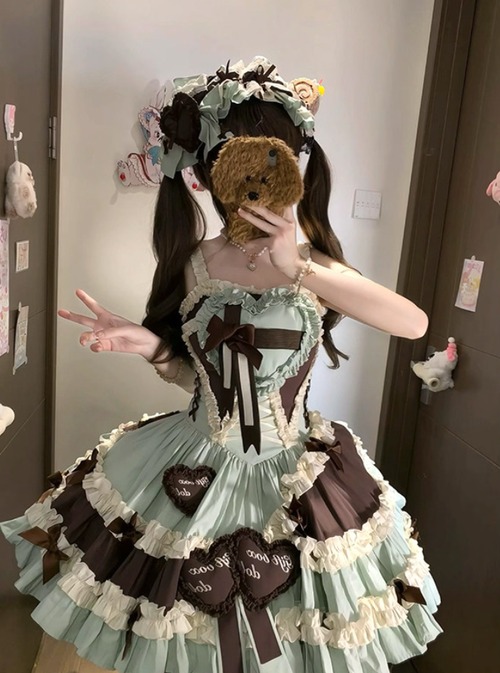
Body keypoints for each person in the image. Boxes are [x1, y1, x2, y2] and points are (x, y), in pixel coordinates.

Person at [0, 56, 441, 673]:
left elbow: (413, 324)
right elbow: (192, 374)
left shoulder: (315, 265)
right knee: (172, 622)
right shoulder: (194, 263)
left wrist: (296, 266)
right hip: (190, 457)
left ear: (294, 166)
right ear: (208, 175)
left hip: (297, 471)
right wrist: (150, 346)